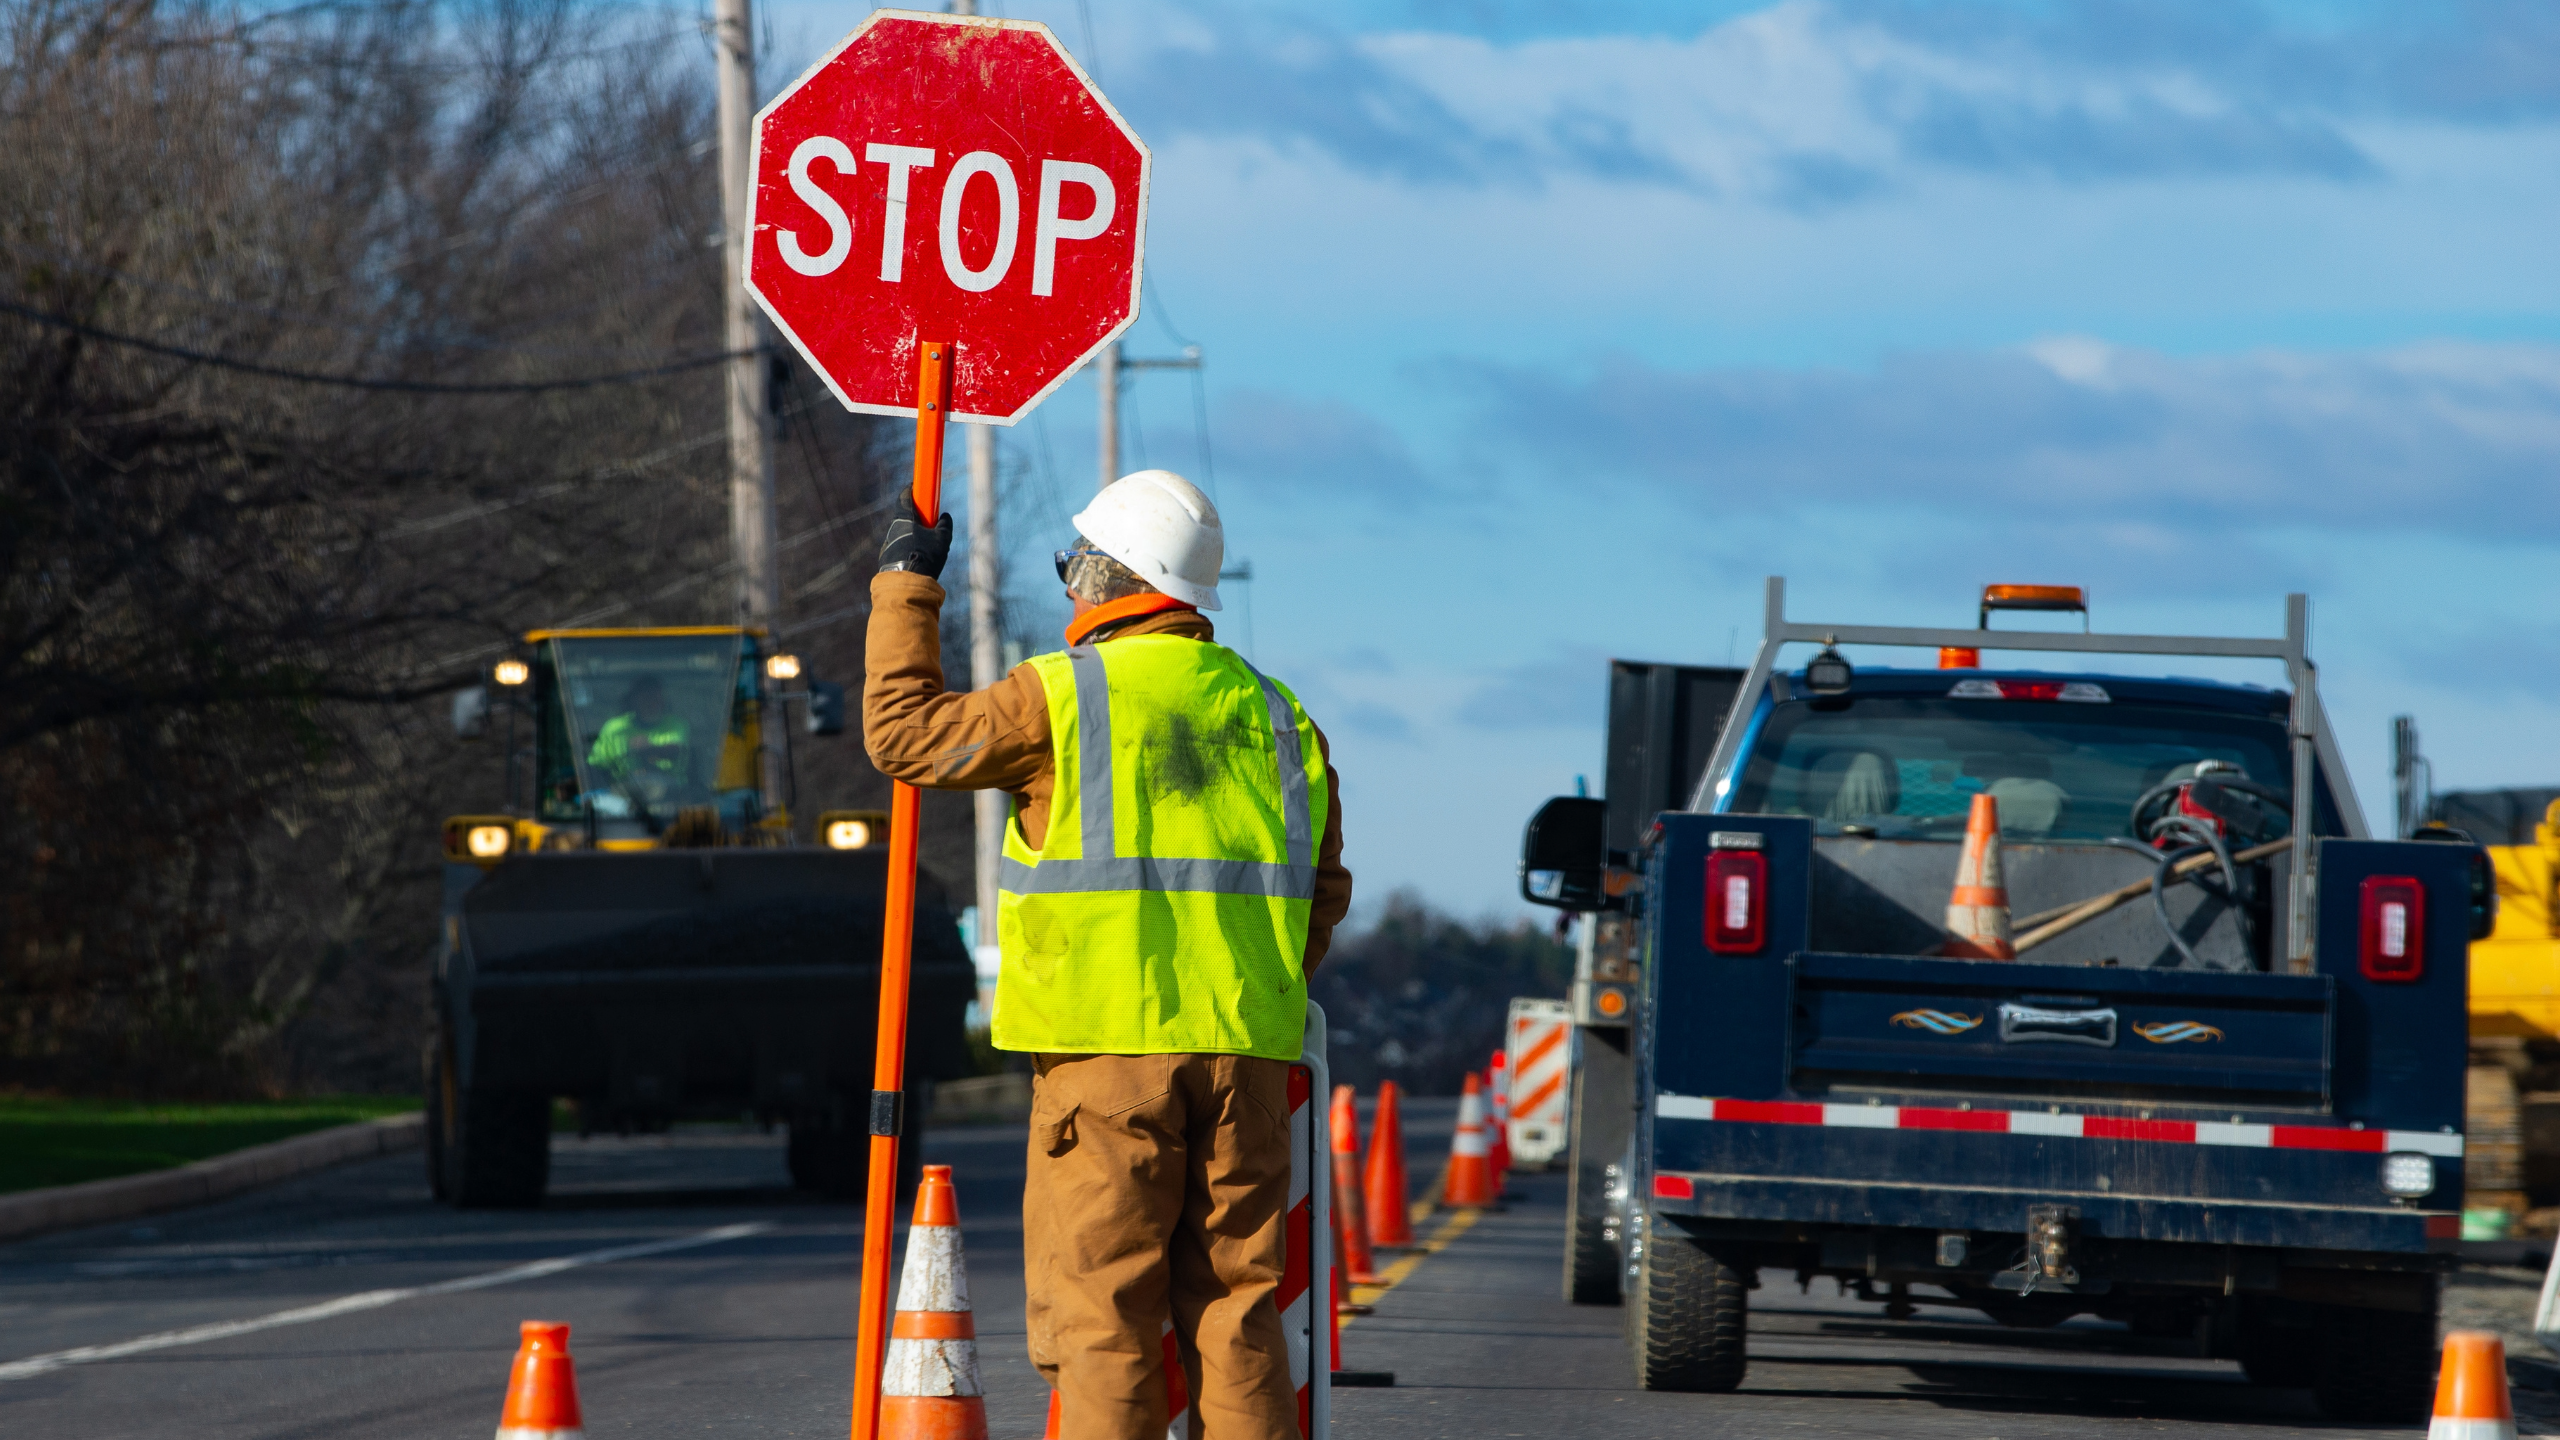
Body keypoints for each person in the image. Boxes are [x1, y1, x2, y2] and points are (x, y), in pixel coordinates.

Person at [863, 469, 1351, 1440]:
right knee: (1238, 1318)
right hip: (1247, 1059)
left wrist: (904, 589)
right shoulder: (1280, 717)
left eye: (1071, 565)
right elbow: (1320, 897)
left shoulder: (1059, 698)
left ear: (1104, 574)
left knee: (1104, 1325)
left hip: (1103, 1061)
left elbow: (902, 738)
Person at [587, 675, 693, 800]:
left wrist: (650, 749)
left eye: (655, 696)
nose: (651, 702)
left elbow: (675, 750)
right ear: (633, 700)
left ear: (663, 699)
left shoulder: (676, 725)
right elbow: (596, 766)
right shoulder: (615, 728)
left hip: (671, 793)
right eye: (645, 696)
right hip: (624, 795)